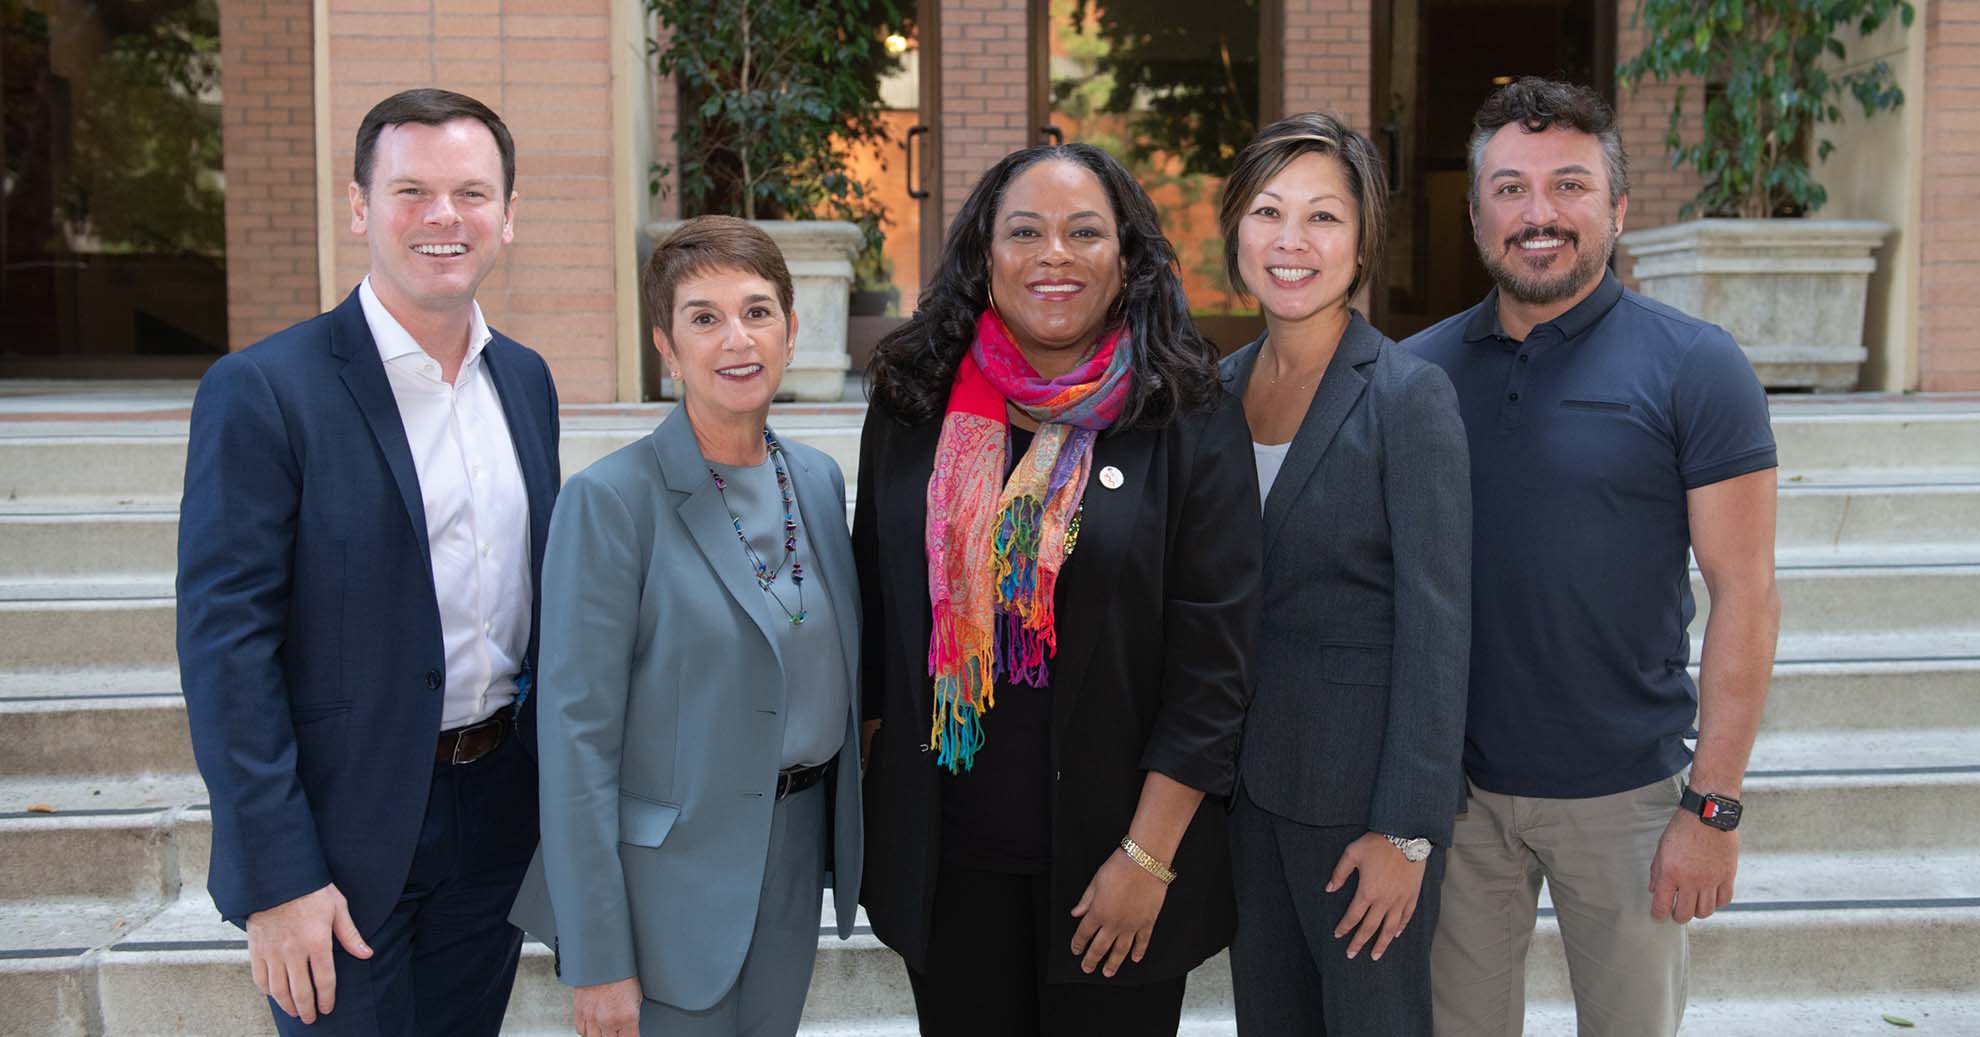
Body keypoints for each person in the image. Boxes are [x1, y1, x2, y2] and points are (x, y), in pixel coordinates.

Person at [853, 142, 1261, 1035]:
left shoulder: (1187, 408)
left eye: (1085, 232)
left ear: (1127, 259)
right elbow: (878, 618)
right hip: (948, 867)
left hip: (1116, 867)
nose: (1055, 255)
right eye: (1025, 231)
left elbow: (1215, 664)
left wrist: (1147, 860)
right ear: (984, 254)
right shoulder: (913, 400)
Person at [176, 88, 559, 1034]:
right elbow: (227, 650)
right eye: (411, 190)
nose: (443, 216)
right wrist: (279, 877)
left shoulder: (526, 378)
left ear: (507, 216)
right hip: (340, 841)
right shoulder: (264, 389)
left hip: (496, 818)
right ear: (359, 206)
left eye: (472, 192)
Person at [1407, 77, 1781, 1037]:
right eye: (1511, 188)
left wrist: (1714, 807)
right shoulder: (1415, 375)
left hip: (1629, 802)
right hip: (1458, 803)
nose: (1539, 215)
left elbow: (1746, 592)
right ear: (1477, 210)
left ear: (1617, 207)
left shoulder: (1695, 365)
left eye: (1569, 185)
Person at [508, 215, 864, 1037]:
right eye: (704, 317)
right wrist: (598, 955)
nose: (736, 339)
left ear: (791, 327)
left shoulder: (814, 478)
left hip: (793, 852)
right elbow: (575, 742)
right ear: (666, 345)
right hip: (665, 885)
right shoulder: (610, 501)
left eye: (758, 310)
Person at [1215, 112, 1472, 1035]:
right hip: (1246, 797)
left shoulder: (1408, 394)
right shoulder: (1217, 387)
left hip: (1361, 809)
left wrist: (1408, 830)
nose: (1291, 241)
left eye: (1324, 217)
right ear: (1236, 228)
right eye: (1269, 211)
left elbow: (1440, 626)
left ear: (1362, 243)